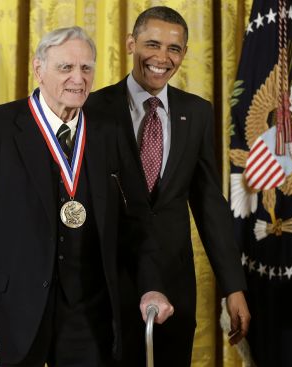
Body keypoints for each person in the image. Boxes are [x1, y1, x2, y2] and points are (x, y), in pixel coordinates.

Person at [0, 26, 173, 367]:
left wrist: (152, 286)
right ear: (39, 70)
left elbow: (138, 223)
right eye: (65, 68)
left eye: (86, 68)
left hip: (89, 321)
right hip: (10, 318)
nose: (78, 79)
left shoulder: (109, 133)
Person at [87, 6, 250, 366]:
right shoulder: (93, 108)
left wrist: (233, 287)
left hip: (175, 283)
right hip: (108, 280)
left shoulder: (197, 113)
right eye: (152, 44)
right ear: (131, 43)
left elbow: (209, 203)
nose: (162, 58)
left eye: (173, 49)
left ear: (184, 54)